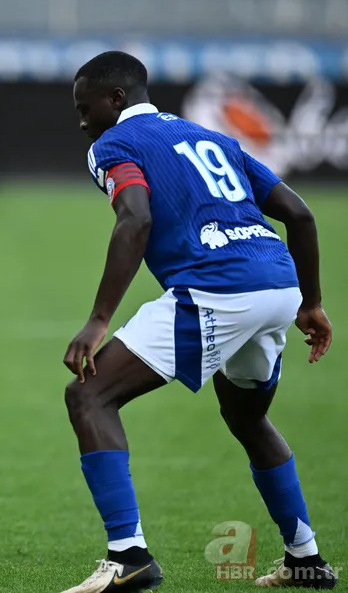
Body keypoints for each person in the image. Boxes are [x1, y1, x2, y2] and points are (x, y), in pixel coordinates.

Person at [60, 51, 337, 592]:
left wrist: (98, 320)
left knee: (89, 396)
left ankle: (128, 556)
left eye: (84, 106)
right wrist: (311, 303)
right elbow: (300, 214)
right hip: (278, 285)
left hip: (217, 288)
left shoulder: (112, 145)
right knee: (248, 417)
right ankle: (305, 559)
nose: (80, 120)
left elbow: (135, 217)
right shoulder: (210, 137)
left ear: (115, 100)